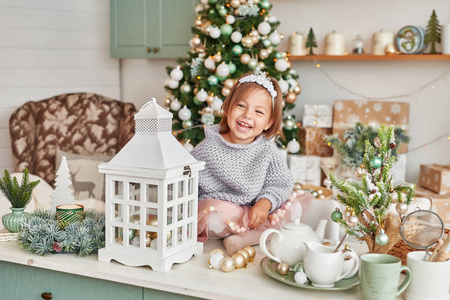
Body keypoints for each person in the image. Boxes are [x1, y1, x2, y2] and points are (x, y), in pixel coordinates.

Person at [192, 71, 308, 255]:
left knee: (293, 206)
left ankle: (243, 239)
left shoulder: (266, 150)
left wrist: (264, 203)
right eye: (241, 106)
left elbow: (280, 183)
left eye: (258, 112)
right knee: (217, 214)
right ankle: (250, 234)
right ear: (228, 108)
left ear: (268, 123)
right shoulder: (208, 148)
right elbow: (189, 181)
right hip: (222, 213)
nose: (247, 115)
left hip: (255, 211)